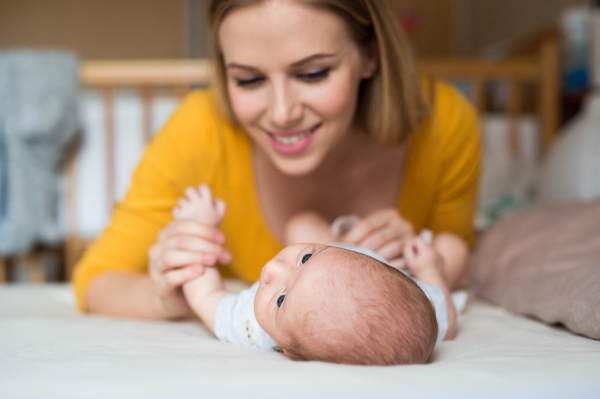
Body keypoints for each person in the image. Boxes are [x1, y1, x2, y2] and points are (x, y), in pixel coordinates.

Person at [73, 0, 480, 322]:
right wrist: (165, 296)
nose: (282, 113)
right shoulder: (199, 130)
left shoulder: (443, 124)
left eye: (313, 73)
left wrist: (418, 259)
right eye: (248, 80)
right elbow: (95, 280)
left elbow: (456, 253)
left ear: (370, 56)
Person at [177, 184, 452, 365]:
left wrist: (197, 229)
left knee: (302, 226)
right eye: (305, 259)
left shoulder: (255, 327)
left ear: (290, 351)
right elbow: (447, 318)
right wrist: (429, 269)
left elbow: (206, 295)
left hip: (338, 259)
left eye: (281, 300)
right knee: (451, 248)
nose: (271, 269)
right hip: (365, 260)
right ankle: (339, 244)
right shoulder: (419, 313)